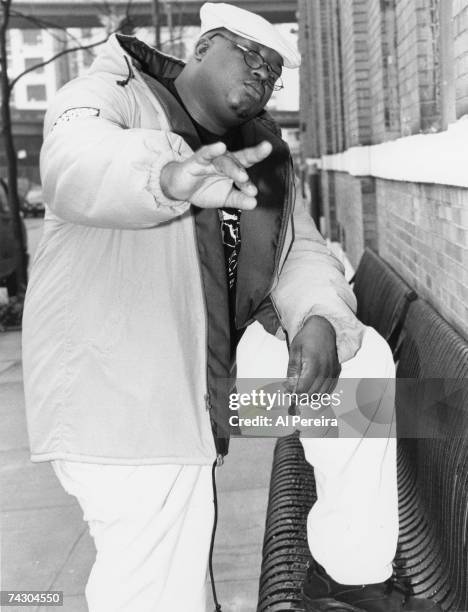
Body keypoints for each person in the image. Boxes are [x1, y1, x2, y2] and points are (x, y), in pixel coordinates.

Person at [21, 3, 441, 611]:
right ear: (204, 45)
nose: (264, 76)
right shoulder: (106, 95)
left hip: (218, 382)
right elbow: (73, 164)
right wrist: (166, 176)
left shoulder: (264, 150)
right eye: (250, 56)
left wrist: (318, 317)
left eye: (274, 70)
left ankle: (348, 581)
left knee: (360, 369)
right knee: (160, 587)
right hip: (125, 396)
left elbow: (300, 248)